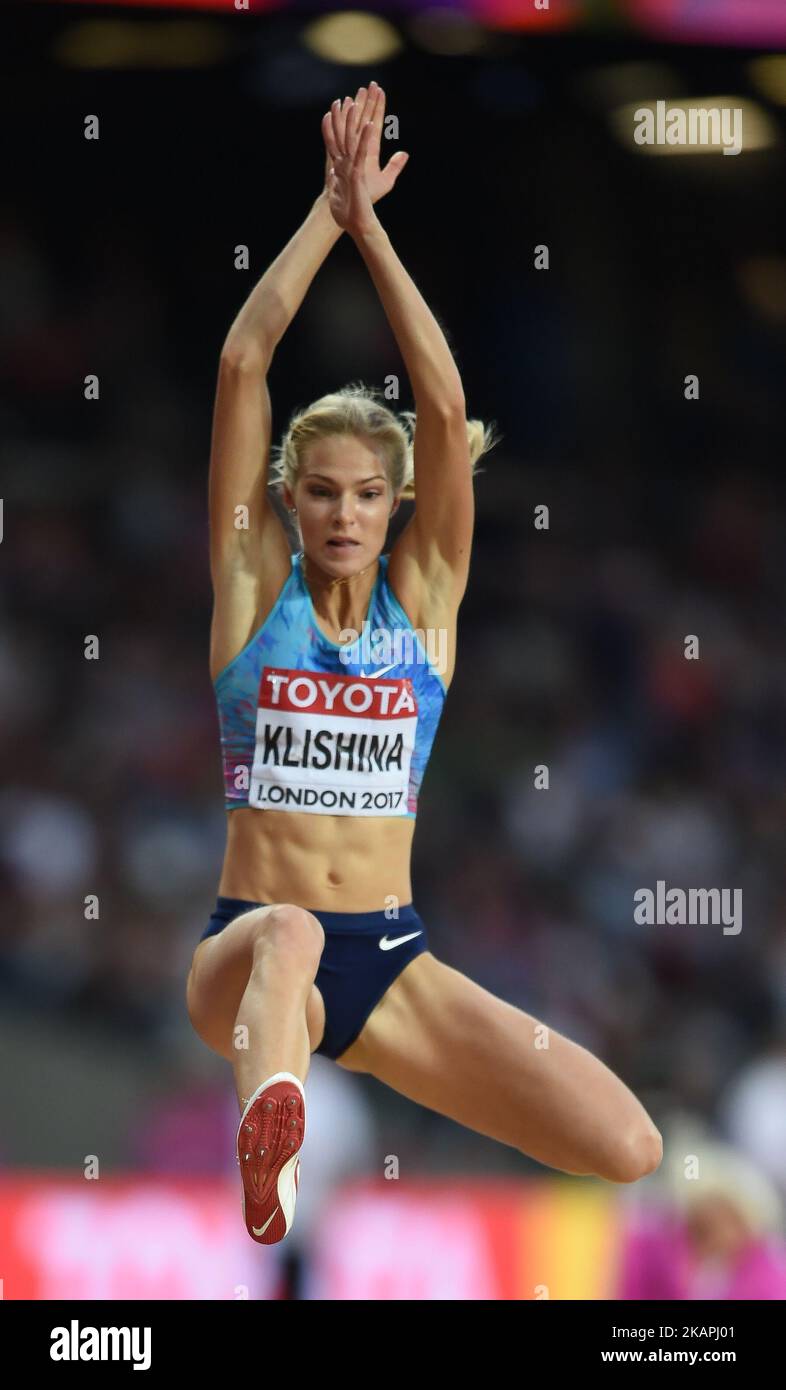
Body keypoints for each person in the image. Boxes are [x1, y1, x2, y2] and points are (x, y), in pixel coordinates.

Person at [185, 82, 663, 1245]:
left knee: (630, 1144)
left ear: (395, 507)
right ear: (287, 505)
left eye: (366, 496)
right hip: (250, 948)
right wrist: (323, 213)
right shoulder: (254, 596)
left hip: (391, 956)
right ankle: (273, 1162)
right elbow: (245, 362)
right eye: (319, 494)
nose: (343, 515)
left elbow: (445, 409)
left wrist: (374, 227)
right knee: (294, 934)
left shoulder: (426, 613)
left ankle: (311, 1110)